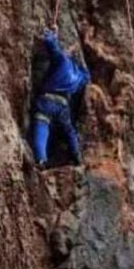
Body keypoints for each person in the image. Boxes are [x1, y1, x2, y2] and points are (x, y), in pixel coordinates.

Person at [29, 28, 90, 168]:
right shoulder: (79, 77)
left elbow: (50, 43)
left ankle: (41, 159)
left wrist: (52, 33)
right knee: (69, 130)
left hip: (47, 100)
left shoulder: (62, 60)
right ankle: (76, 156)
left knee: (41, 123)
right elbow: (87, 76)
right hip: (63, 106)